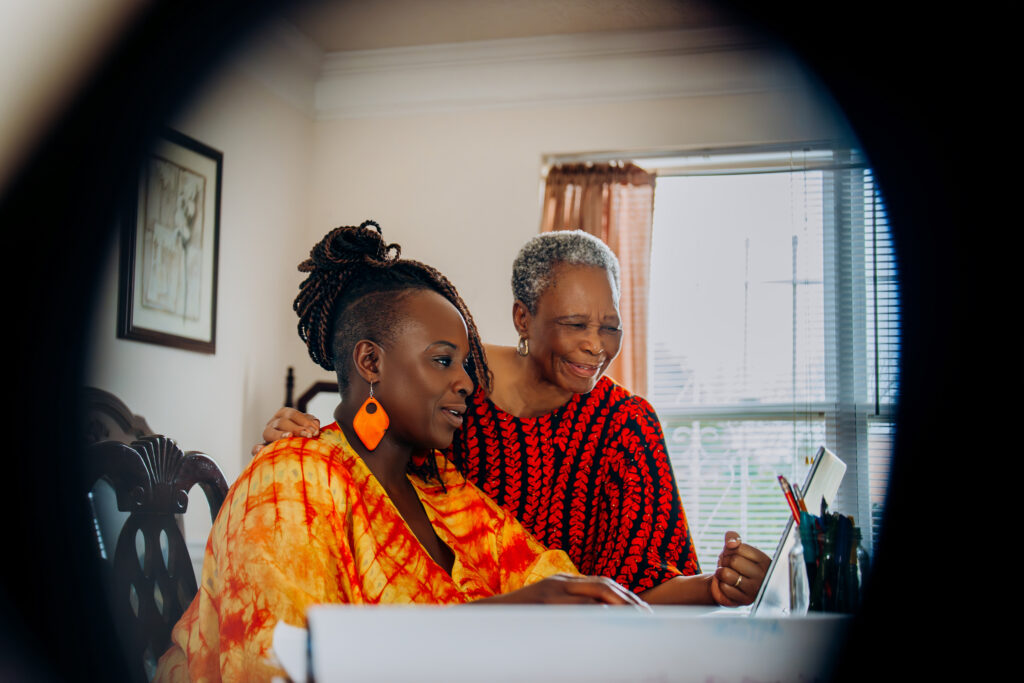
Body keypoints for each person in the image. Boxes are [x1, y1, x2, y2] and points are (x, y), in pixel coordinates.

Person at [156, 223, 646, 683]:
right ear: (371, 361)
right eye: (442, 361)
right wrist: (508, 612)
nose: (467, 382)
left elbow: (548, 580)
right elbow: (280, 664)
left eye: (464, 363)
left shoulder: (442, 489)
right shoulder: (292, 481)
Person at [263, 229, 771, 607]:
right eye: (576, 324)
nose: (596, 345)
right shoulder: (449, 395)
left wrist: (717, 587)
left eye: (610, 327)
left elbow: (629, 590)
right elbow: (369, 456)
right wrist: (300, 452)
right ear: (522, 317)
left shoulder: (626, 425)